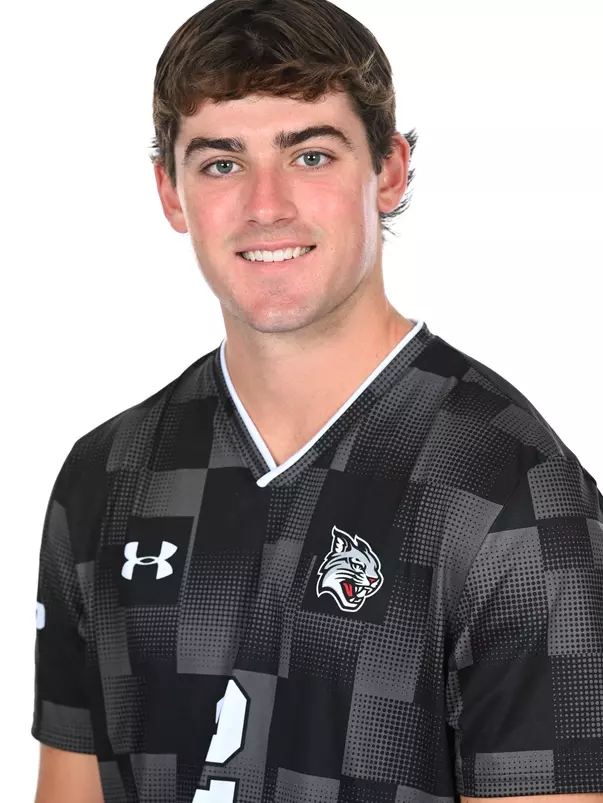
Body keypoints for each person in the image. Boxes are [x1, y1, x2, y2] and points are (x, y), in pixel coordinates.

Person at [32, 0, 603, 801]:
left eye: (309, 156)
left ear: (390, 171)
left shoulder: (513, 494)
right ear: (171, 192)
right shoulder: (104, 474)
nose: (266, 205)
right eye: (221, 163)